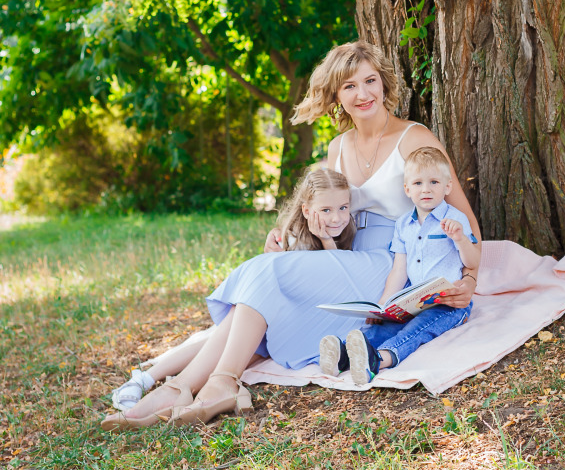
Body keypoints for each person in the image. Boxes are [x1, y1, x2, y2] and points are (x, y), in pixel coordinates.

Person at [102, 40, 481, 428]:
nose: (363, 94)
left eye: (370, 81)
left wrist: (468, 280)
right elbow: (324, 209)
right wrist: (290, 235)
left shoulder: (414, 139)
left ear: (384, 83)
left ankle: (207, 384)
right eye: (349, 86)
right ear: (336, 95)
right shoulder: (337, 148)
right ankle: (185, 387)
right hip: (350, 259)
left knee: (265, 275)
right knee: (265, 294)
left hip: (392, 266)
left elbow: (467, 222)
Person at [102, 167, 355, 430]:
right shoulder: (292, 236)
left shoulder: (346, 233)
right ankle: (171, 387)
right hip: (278, 316)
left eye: (343, 208)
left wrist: (326, 239)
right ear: (306, 211)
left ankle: (177, 389)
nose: (336, 217)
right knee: (234, 330)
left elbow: (335, 271)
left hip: (295, 321)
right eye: (325, 210)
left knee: (230, 335)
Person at [319, 146, 481, 385]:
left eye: (434, 182)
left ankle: (379, 360)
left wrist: (460, 239)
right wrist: (383, 305)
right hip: (414, 300)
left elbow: (472, 261)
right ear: (407, 189)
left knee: (416, 330)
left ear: (447, 187)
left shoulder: (455, 220)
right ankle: (343, 355)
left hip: (447, 303)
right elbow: (399, 269)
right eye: (417, 183)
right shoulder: (404, 224)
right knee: (383, 326)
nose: (425, 189)